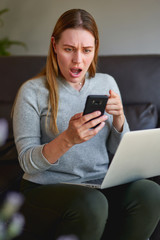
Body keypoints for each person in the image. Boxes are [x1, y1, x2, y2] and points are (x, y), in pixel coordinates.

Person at [13, 9, 160, 240]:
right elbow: (27, 163)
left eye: (86, 50)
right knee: (92, 203)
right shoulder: (32, 91)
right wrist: (67, 139)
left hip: (99, 185)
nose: (78, 60)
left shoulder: (106, 82)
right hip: (46, 188)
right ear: (54, 45)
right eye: (69, 49)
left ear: (96, 48)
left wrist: (120, 119)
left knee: (151, 192)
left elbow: (119, 152)